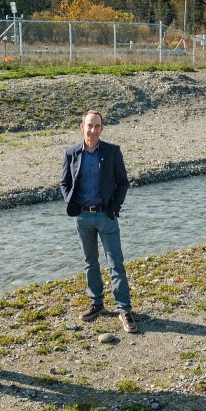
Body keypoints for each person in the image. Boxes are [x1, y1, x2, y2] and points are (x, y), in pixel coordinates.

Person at [60, 110, 138, 333]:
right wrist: (71, 202)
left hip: (106, 215)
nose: (93, 130)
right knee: (90, 262)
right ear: (81, 127)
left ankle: (124, 309)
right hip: (83, 216)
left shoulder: (112, 152)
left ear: (102, 128)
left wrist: (114, 207)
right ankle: (97, 303)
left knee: (116, 263)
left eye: (97, 126)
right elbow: (64, 182)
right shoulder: (72, 153)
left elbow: (123, 183)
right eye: (89, 125)